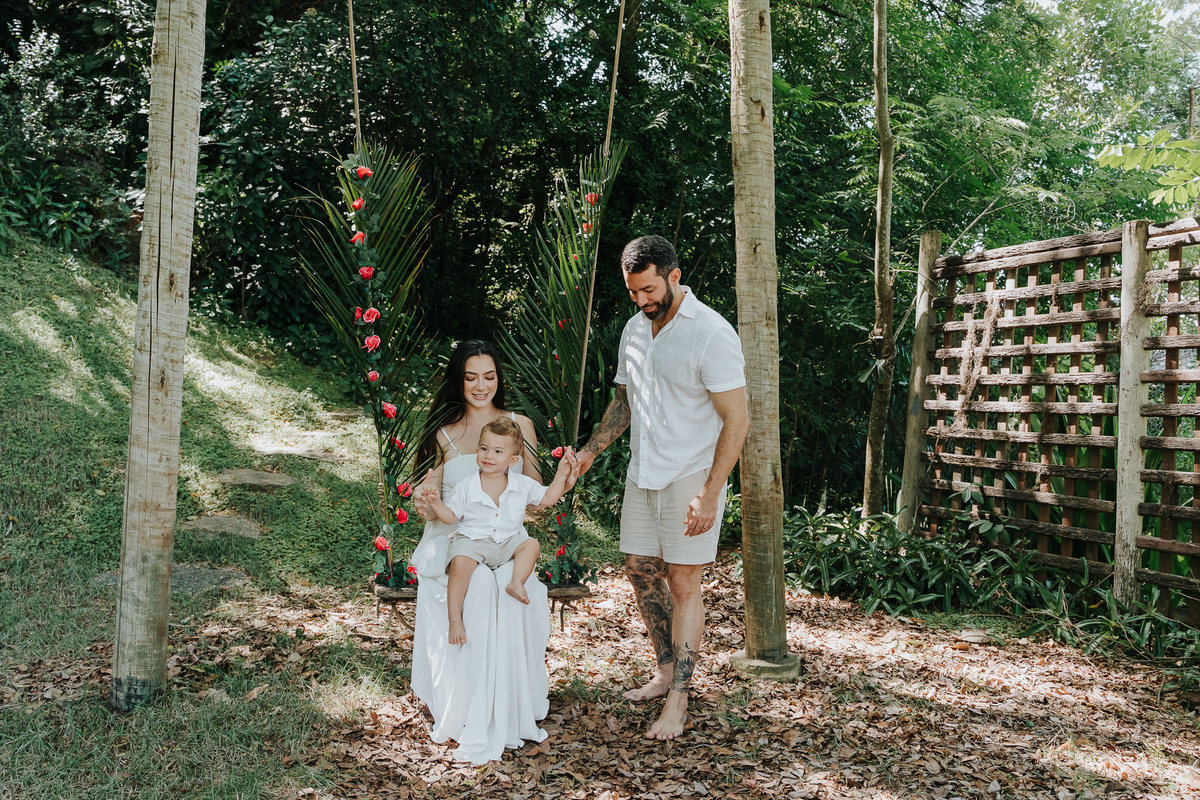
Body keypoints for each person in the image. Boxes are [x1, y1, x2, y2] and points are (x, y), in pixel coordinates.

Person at [575, 235, 749, 741]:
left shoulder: (712, 334)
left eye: (648, 290)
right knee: (638, 571)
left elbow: (736, 420)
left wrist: (712, 492)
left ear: (674, 276)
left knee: (683, 583)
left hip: (690, 475)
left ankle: (679, 701)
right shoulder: (634, 328)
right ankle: (666, 669)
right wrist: (590, 452)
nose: (641, 301)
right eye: (633, 292)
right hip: (641, 472)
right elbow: (624, 402)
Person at [408, 340, 552, 764]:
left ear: (498, 379)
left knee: (505, 583)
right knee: (480, 584)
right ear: (459, 379)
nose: (480, 385)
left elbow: (535, 496)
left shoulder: (520, 426)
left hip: (503, 532)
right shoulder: (444, 433)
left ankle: (509, 707)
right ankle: (468, 705)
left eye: (489, 376)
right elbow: (428, 496)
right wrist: (423, 500)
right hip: (453, 533)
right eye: (471, 376)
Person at [420, 416, 578, 644]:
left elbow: (548, 498)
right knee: (459, 563)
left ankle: (516, 582)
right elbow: (450, 518)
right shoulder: (467, 486)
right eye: (483, 449)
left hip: (506, 542)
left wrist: (562, 473)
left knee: (531, 545)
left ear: (513, 460)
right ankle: (455, 619)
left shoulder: (521, 484)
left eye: (497, 452)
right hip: (472, 541)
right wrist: (435, 503)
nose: (488, 456)